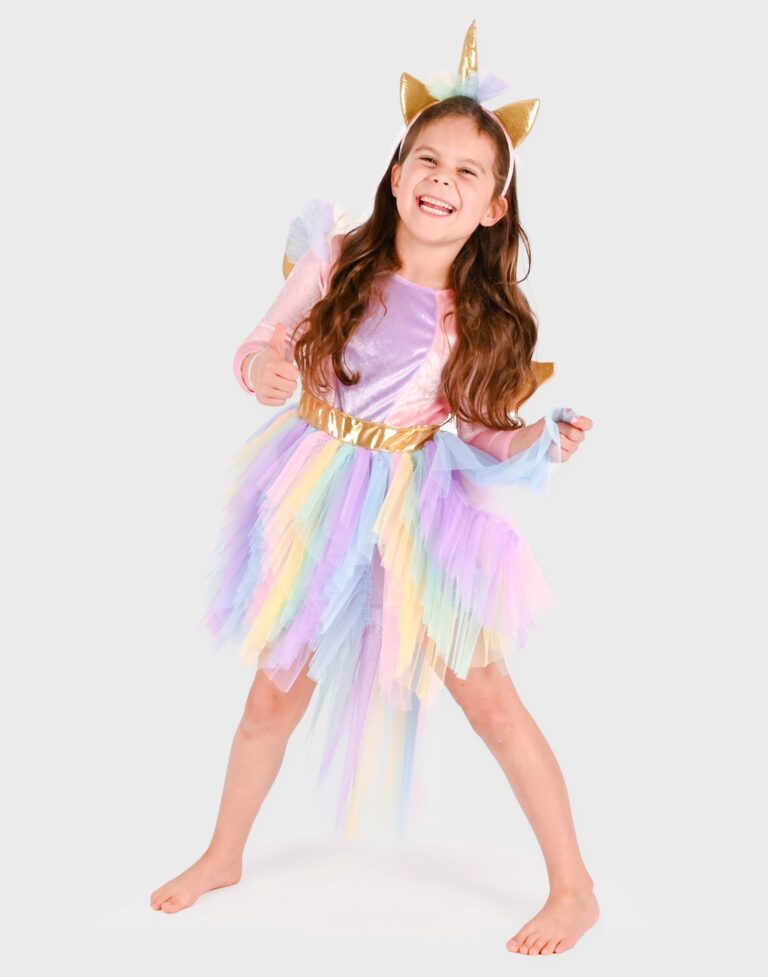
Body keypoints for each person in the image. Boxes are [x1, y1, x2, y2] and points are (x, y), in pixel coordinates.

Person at [151, 20, 599, 956]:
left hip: (414, 512)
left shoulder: (477, 319)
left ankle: (575, 886)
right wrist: (266, 367)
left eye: (467, 171)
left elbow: (480, 431)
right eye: (426, 159)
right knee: (272, 694)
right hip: (313, 492)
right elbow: (262, 342)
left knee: (489, 698)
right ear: (396, 175)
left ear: (493, 206)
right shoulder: (336, 257)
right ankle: (224, 852)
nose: (440, 178)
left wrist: (538, 438)